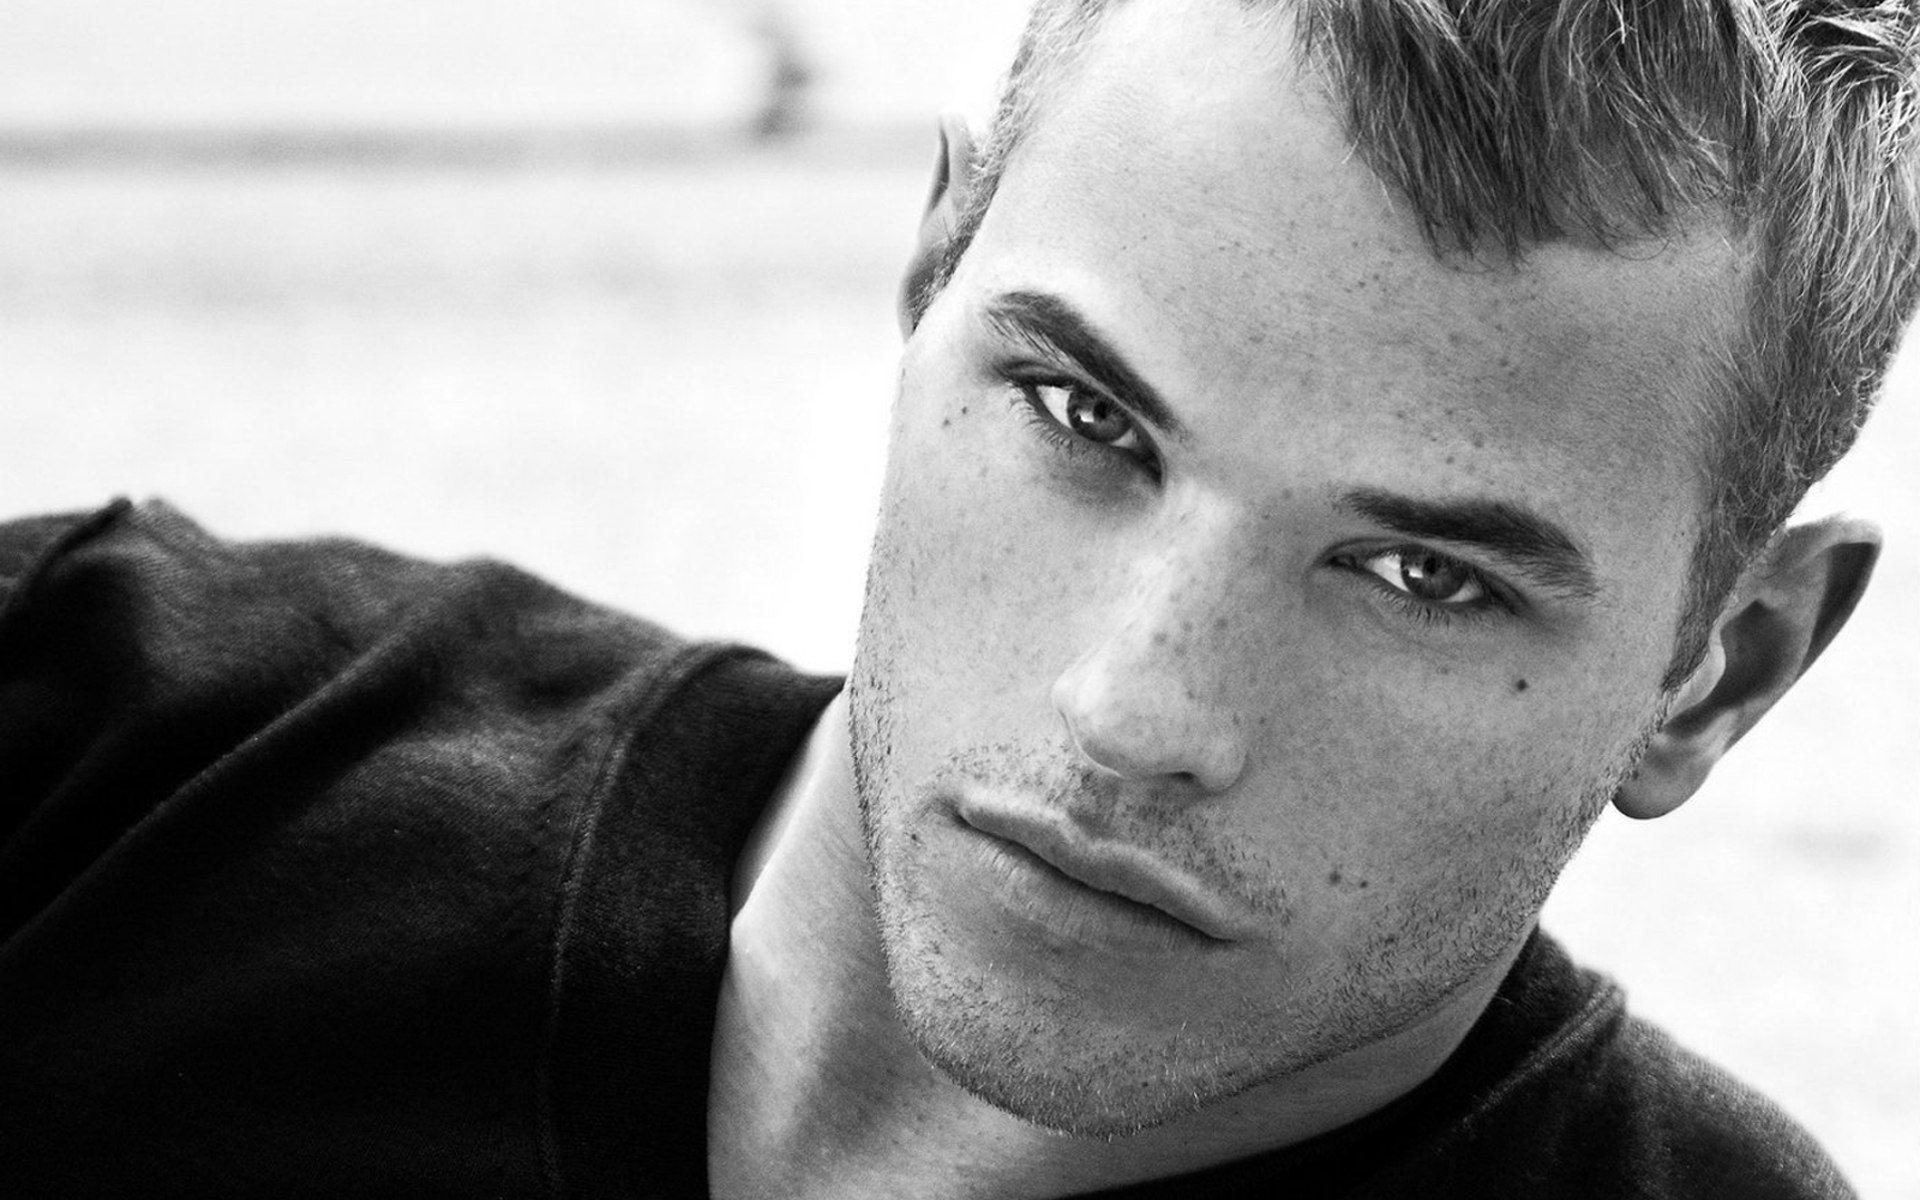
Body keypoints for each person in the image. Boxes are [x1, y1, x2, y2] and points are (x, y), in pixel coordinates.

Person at [2, 0, 1914, 1195]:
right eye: (1085, 417)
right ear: (935, 268)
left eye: (1425, 575)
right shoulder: (98, 752)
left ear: (1720, 672)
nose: (1132, 711)